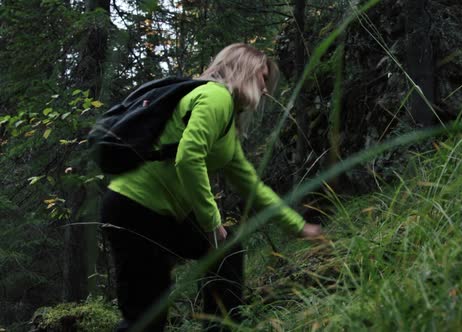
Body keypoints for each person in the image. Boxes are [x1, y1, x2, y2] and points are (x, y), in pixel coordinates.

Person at [100, 43, 322, 331]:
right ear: (244, 70)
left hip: (158, 215)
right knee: (145, 317)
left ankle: (221, 327)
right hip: (133, 210)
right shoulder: (215, 96)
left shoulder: (228, 128)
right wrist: (211, 220)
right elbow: (188, 158)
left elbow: (253, 188)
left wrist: (299, 227)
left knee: (225, 251)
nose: (266, 90)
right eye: (262, 78)